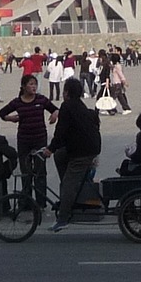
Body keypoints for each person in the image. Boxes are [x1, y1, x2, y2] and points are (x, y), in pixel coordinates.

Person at [45, 79, 102, 231]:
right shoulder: (79, 105)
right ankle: (70, 187)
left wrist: (50, 148)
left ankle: (63, 218)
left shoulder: (67, 106)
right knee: (60, 155)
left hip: (82, 152)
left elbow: (60, 131)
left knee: (69, 185)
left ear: (67, 93)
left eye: (64, 91)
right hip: (87, 147)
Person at [0, 75, 58, 199]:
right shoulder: (17, 102)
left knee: (40, 171)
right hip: (24, 140)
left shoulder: (41, 100)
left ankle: (41, 201)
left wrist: (54, 115)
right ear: (24, 87)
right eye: (31, 84)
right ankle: (26, 200)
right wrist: (11, 119)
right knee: (25, 172)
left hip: (40, 139)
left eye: (35, 84)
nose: (34, 87)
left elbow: (55, 109)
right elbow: (2, 113)